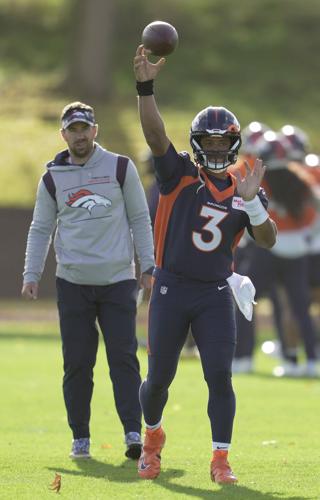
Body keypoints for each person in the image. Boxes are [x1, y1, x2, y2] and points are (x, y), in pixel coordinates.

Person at [133, 45, 277, 484]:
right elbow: (156, 135)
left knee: (219, 374)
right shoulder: (178, 175)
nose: (216, 149)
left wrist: (252, 207)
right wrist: (145, 88)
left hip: (215, 292)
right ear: (197, 145)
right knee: (158, 379)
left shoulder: (244, 186)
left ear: (233, 146)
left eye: (223, 142)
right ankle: (152, 439)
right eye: (209, 142)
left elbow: (267, 239)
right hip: (171, 287)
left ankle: (220, 461)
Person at [21, 101, 155, 460]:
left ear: (95, 131)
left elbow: (141, 219)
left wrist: (149, 266)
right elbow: (40, 229)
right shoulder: (52, 178)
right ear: (63, 134)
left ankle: (132, 433)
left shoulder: (120, 168)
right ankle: (80, 436)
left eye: (85, 128)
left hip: (117, 281)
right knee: (78, 363)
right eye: (72, 130)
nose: (79, 136)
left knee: (123, 359)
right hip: (73, 282)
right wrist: (31, 273)